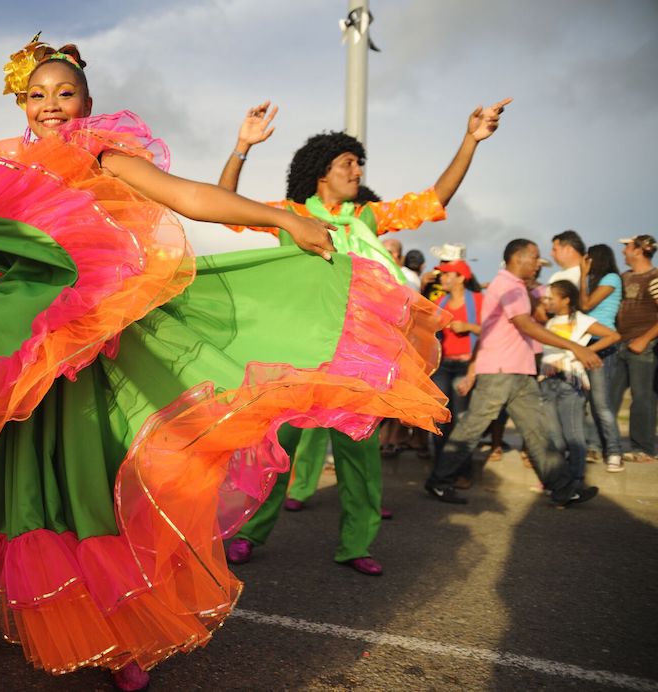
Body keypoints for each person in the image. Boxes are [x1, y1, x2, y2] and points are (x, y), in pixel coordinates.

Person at [0, 39, 448, 690]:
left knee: (94, 492)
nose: (51, 105)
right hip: (3, 354)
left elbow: (189, 197)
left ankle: (119, 637)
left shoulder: (101, 155)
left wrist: (273, 219)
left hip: (86, 352)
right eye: (38, 95)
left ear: (88, 103)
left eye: (65, 93)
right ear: (21, 104)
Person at [216, 95, 510, 575]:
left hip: (360, 354)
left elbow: (434, 199)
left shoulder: (368, 217)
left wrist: (470, 140)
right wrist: (242, 148)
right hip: (300, 349)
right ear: (322, 171)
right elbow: (226, 208)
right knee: (276, 445)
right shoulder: (289, 213)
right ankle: (248, 532)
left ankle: (356, 543)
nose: (357, 171)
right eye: (348, 163)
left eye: (359, 164)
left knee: (359, 454)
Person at [426, 239, 602, 505]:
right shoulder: (507, 286)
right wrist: (575, 347)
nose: (538, 265)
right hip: (500, 370)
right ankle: (439, 481)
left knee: (536, 429)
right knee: (473, 426)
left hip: (517, 369)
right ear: (519, 258)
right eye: (535, 259)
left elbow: (536, 320)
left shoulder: (517, 287)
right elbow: (526, 326)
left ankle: (562, 487)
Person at [539, 280, 620, 482]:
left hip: (570, 382)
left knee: (573, 434)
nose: (547, 301)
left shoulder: (581, 320)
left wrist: (584, 351)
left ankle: (576, 480)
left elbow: (613, 335)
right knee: (554, 435)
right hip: (547, 382)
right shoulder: (550, 322)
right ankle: (559, 480)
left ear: (566, 299)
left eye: (551, 297)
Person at [430, 259, 483, 462]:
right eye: (441, 274)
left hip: (466, 365)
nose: (441, 278)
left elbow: (491, 332)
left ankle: (461, 469)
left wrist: (469, 327)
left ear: (461, 277)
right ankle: (441, 465)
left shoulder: (479, 300)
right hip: (442, 366)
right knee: (439, 416)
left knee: (462, 419)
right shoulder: (439, 303)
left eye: (446, 274)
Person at [611, 234, 658, 463]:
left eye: (627, 246)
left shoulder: (655, 276)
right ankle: (605, 444)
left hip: (643, 347)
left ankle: (643, 449)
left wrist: (644, 339)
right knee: (609, 397)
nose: (623, 251)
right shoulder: (625, 277)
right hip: (620, 345)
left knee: (642, 397)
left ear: (639, 250)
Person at [578, 244, 625, 471]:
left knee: (601, 403)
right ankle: (594, 447)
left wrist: (582, 275)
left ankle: (615, 451)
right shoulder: (591, 282)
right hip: (585, 342)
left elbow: (586, 305)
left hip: (602, 342)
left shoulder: (612, 278)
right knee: (587, 402)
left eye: (589, 258)